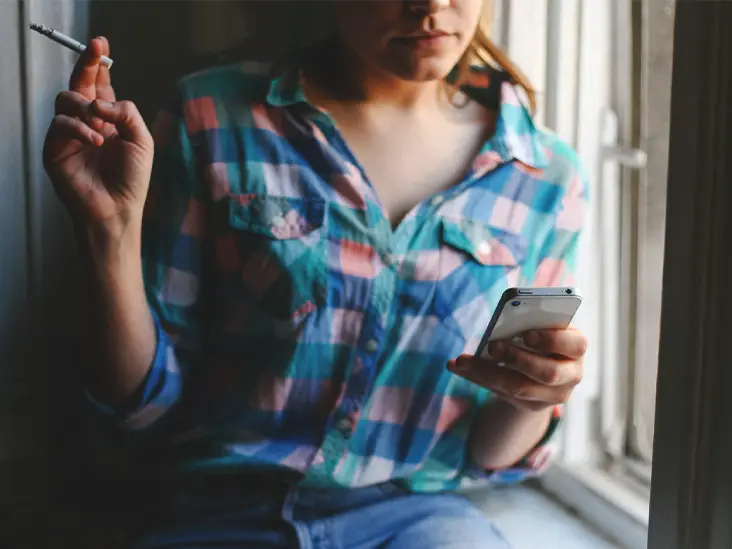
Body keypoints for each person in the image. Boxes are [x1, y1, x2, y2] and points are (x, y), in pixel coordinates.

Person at [43, 1, 588, 547]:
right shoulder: (211, 116)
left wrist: (533, 396)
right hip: (217, 512)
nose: (431, 5)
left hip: (418, 519)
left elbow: (488, 456)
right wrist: (109, 232)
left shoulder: (544, 178)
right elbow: (141, 403)